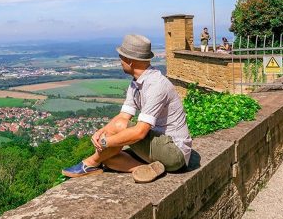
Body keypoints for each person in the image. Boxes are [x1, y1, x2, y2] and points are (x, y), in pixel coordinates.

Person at [61, 34, 192, 183]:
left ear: (130, 60)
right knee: (108, 158)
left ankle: (88, 163)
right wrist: (102, 132)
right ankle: (144, 169)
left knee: (109, 144)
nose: (120, 61)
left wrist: (105, 142)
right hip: (157, 146)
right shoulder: (136, 83)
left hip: (175, 152)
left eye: (121, 57)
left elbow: (139, 132)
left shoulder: (156, 85)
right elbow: (124, 116)